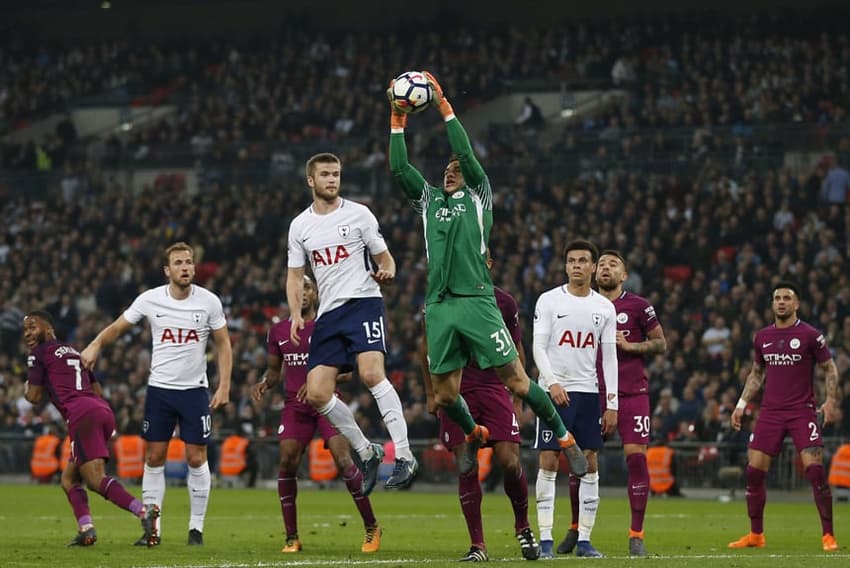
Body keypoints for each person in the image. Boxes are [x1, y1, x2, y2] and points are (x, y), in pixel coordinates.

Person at [387, 70, 587, 481]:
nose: (450, 170)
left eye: (457, 168)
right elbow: (399, 167)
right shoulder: (428, 203)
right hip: (440, 304)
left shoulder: (479, 196)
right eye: (447, 168)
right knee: (445, 394)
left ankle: (565, 438)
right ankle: (472, 433)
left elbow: (464, 151)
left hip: (477, 299)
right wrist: (397, 119)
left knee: (515, 380)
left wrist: (443, 105)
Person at [81, 242, 232, 546]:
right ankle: (154, 529)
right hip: (160, 390)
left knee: (195, 455)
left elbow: (223, 344)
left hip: (194, 391)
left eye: (189, 262)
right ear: (167, 270)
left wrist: (224, 385)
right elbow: (117, 327)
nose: (186, 267)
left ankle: (196, 529)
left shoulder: (209, 302)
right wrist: (96, 343)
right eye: (178, 263)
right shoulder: (150, 300)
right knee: (154, 456)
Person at [286, 152, 417, 493]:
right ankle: (366, 450)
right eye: (326, 174)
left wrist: (388, 270)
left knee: (372, 373)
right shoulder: (300, 226)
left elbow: (384, 256)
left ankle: (403, 455)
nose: (332, 179)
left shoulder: (360, 214)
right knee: (316, 394)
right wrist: (297, 314)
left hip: (363, 302)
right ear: (310, 181)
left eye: (337, 174)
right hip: (329, 314)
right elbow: (295, 276)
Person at [419, 251, 540, 562]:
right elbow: (426, 350)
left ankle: (523, 527)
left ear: (488, 265)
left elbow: (515, 351)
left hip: (493, 387)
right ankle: (478, 545)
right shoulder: (439, 299)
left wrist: (517, 397)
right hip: (457, 390)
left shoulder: (504, 303)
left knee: (510, 462)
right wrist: (432, 394)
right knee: (467, 465)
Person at [253, 275, 381, 554]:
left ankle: (372, 527)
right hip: (294, 406)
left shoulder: (330, 325)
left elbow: (347, 372)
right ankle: (292, 537)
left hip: (327, 403)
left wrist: (317, 384)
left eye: (308, 287)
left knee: (343, 459)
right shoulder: (278, 331)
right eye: (299, 288)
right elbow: (275, 371)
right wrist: (265, 382)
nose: (304, 292)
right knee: (287, 460)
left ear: (317, 292)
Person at [552, 249, 666, 557]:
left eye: (613, 264)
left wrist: (631, 345)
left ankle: (636, 534)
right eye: (601, 263)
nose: (605, 268)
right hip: (591, 393)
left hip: (632, 395)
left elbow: (661, 343)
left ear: (623, 275)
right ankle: (576, 529)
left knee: (636, 458)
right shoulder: (583, 306)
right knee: (583, 461)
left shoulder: (639, 306)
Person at [23, 310, 159, 547]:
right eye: (25, 330)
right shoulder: (75, 352)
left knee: (95, 480)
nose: (28, 333)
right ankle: (86, 529)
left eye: (32, 327)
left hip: (81, 414)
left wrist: (30, 384)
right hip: (101, 410)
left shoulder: (39, 354)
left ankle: (143, 511)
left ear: (48, 329)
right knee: (69, 479)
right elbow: (97, 390)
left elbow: (33, 397)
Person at [728, 281, 841, 552]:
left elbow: (830, 369)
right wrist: (741, 404)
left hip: (802, 412)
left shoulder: (810, 335)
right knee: (753, 473)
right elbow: (756, 375)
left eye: (787, 298)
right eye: (777, 298)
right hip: (770, 412)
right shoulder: (762, 337)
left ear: (796, 304)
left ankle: (828, 536)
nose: (781, 302)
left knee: (815, 472)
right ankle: (756, 535)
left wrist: (830, 401)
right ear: (772, 303)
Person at [532, 239, 618, 558]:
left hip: (588, 392)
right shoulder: (549, 301)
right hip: (555, 392)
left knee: (590, 462)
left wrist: (612, 403)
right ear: (565, 265)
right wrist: (552, 383)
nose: (577, 266)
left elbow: (609, 358)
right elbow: (538, 347)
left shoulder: (604, 307)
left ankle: (584, 539)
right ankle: (544, 541)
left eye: (583, 260)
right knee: (549, 460)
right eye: (572, 261)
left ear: (593, 267)